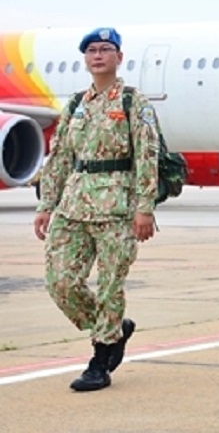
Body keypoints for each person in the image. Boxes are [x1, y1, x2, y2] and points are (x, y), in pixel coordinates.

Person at [33, 27, 157, 392]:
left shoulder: (133, 102)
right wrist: (46, 204)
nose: (98, 55)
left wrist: (145, 208)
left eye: (105, 49)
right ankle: (114, 329)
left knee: (109, 286)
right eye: (91, 50)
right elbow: (59, 157)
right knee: (60, 282)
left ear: (119, 57)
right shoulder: (76, 104)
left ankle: (100, 362)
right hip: (73, 205)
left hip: (117, 206)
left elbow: (147, 157)